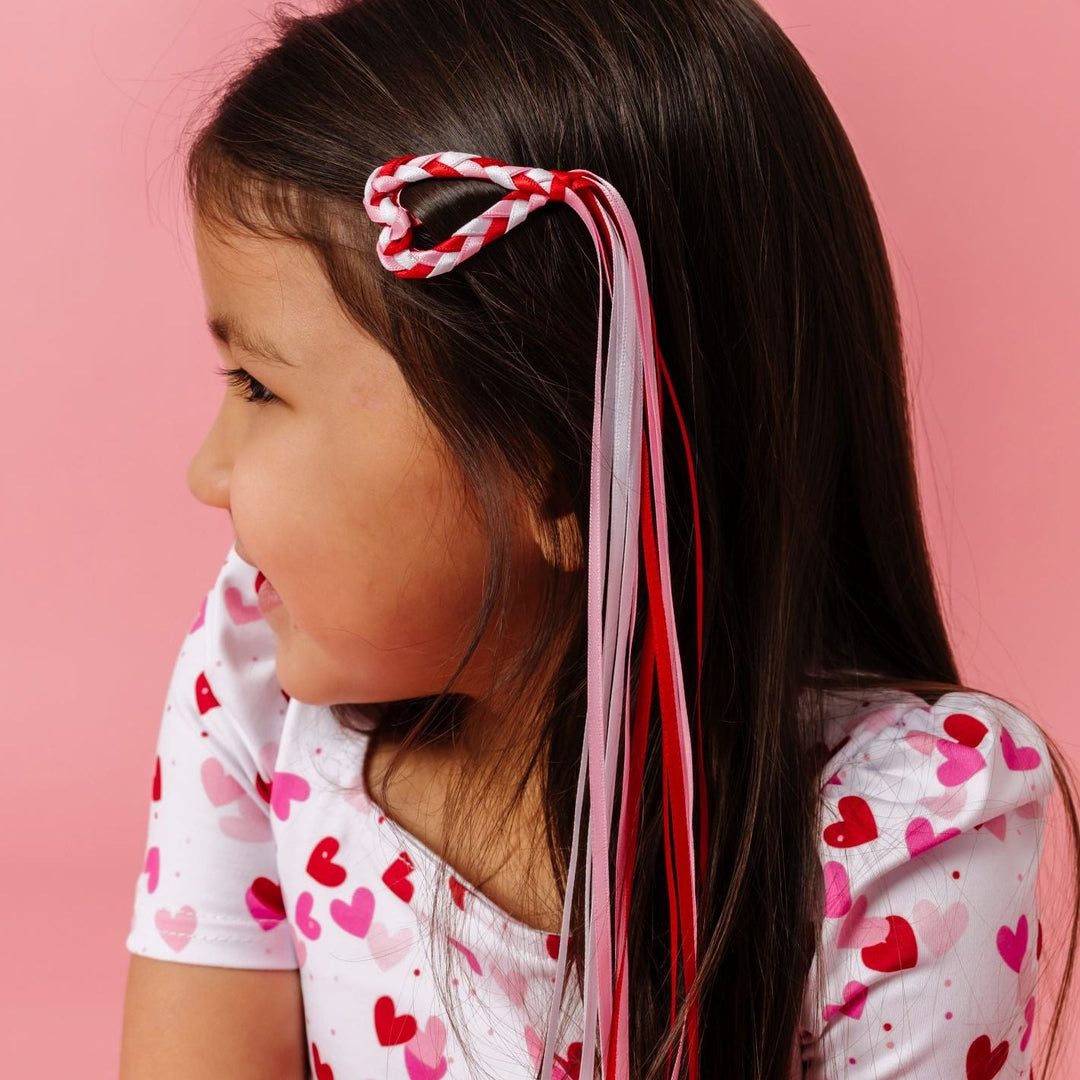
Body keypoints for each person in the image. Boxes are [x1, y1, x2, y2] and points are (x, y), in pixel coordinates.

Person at [118, 1, 1079, 1078]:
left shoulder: (905, 836)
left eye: (258, 384)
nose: (206, 474)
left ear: (566, 474)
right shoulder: (254, 682)